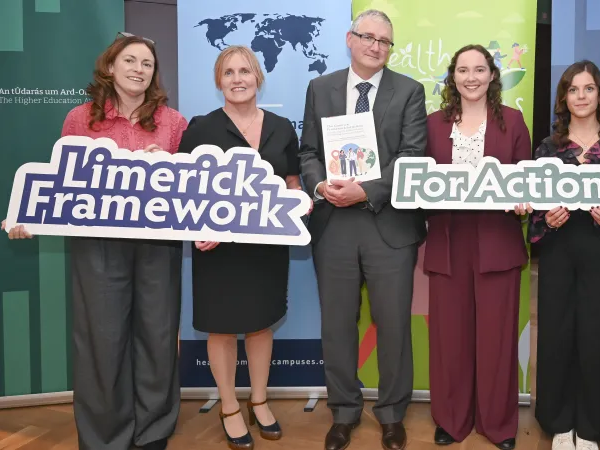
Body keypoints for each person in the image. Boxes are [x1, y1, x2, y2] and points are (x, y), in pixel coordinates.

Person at [3, 33, 186, 450]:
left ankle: (153, 432)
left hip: (159, 247)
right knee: (102, 341)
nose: (139, 69)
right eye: (131, 61)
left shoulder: (174, 123)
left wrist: (171, 170)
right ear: (109, 66)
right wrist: (27, 216)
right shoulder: (79, 119)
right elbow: (59, 183)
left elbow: (188, 191)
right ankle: (105, 437)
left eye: (147, 64)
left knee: (158, 338)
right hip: (97, 246)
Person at [297, 9, 427, 450]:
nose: (376, 46)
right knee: (337, 326)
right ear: (349, 39)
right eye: (367, 37)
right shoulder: (320, 88)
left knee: (393, 326)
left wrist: (364, 190)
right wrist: (319, 184)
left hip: (387, 224)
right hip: (333, 225)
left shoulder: (409, 91)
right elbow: (309, 149)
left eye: (385, 41)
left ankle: (392, 415)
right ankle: (344, 412)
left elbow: (411, 156)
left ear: (391, 48)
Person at [176, 45, 309, 450]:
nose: (237, 79)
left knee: (260, 322)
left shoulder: (283, 127)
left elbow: (291, 178)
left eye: (245, 71)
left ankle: (260, 399)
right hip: (218, 250)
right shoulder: (201, 128)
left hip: (266, 247)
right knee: (222, 326)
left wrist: (297, 200)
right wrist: (203, 224)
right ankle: (230, 406)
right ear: (219, 81)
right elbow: (185, 185)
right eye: (228, 72)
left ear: (258, 78)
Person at [527, 60, 600, 450]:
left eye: (588, 88)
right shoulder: (548, 147)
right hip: (559, 250)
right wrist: (548, 219)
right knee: (556, 334)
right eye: (573, 89)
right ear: (564, 97)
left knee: (597, 337)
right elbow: (533, 209)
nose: (580, 96)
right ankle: (559, 422)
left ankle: (591, 427)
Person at [423, 44, 530, 450]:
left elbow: (524, 182)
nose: (471, 77)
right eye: (463, 70)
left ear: (491, 76)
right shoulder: (432, 125)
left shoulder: (515, 123)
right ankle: (451, 420)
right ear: (453, 77)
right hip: (448, 243)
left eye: (479, 69)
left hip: (497, 242)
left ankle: (498, 424)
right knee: (449, 339)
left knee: (497, 341)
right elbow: (417, 181)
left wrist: (524, 202)